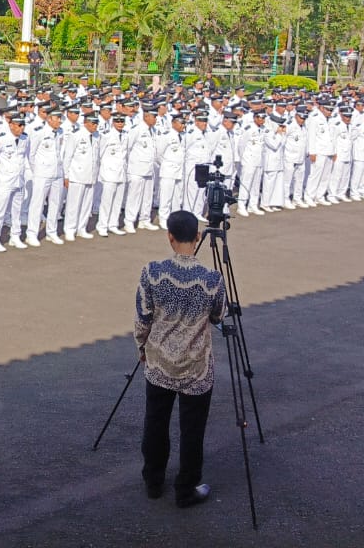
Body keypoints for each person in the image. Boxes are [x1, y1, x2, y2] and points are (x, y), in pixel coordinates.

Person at [134, 209, 227, 508]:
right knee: (192, 430)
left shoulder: (152, 272)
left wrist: (141, 348)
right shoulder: (212, 279)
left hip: (159, 363)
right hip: (196, 368)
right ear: (198, 236)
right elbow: (218, 315)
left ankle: (153, 481)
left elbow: (143, 317)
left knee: (156, 422)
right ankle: (186, 489)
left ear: (170, 237)